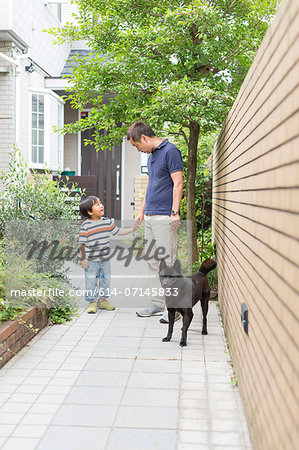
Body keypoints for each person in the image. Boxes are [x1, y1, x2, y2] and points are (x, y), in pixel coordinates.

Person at [127, 121, 183, 323]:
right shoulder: (152, 157)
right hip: (150, 215)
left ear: (144, 138)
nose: (138, 150)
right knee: (152, 261)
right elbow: (151, 185)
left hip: (164, 216)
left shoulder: (171, 151)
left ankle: (174, 307)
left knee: (168, 262)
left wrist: (175, 212)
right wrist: (141, 212)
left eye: (136, 145)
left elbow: (178, 182)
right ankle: (158, 303)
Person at [79, 196, 137, 314]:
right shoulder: (86, 225)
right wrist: (83, 259)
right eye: (97, 204)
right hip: (91, 260)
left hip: (105, 259)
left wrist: (131, 229)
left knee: (106, 280)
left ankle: (102, 300)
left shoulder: (106, 222)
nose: (101, 206)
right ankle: (92, 302)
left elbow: (118, 231)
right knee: (91, 281)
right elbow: (81, 243)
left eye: (100, 203)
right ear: (89, 212)